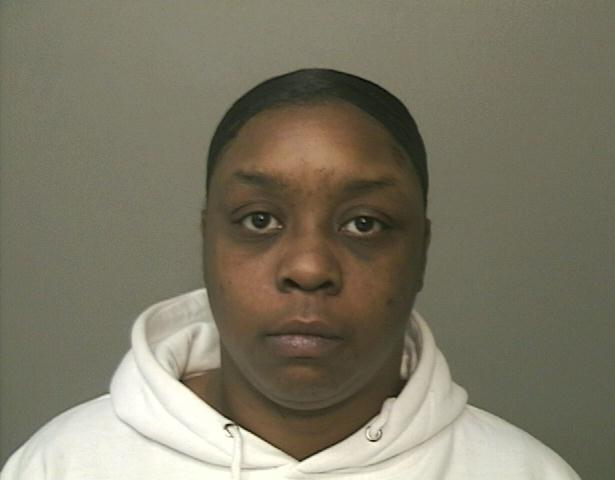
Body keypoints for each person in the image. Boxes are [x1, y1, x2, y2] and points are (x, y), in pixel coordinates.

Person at [1, 69, 580, 479]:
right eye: (259, 220)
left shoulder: (525, 473)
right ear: (208, 241)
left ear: (421, 253)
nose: (308, 268)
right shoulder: (62, 465)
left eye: (364, 224)